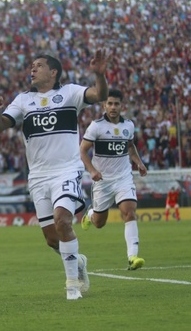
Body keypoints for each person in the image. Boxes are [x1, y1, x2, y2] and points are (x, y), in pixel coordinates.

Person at [0, 50, 109, 300]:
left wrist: (99, 75)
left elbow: (100, 95)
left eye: (38, 66)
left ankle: (72, 285)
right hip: (38, 177)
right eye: (31, 66)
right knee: (52, 239)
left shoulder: (69, 93)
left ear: (53, 72)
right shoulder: (22, 100)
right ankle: (78, 262)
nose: (32, 69)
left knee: (63, 220)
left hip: (66, 170)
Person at [79, 88, 148, 271]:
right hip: (102, 181)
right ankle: (91, 213)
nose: (113, 107)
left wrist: (139, 163)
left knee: (129, 212)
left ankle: (132, 256)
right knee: (100, 223)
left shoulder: (128, 126)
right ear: (104, 105)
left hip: (124, 177)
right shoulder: (96, 126)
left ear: (121, 106)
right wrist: (92, 170)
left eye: (116, 103)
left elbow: (130, 147)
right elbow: (82, 150)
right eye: (109, 103)